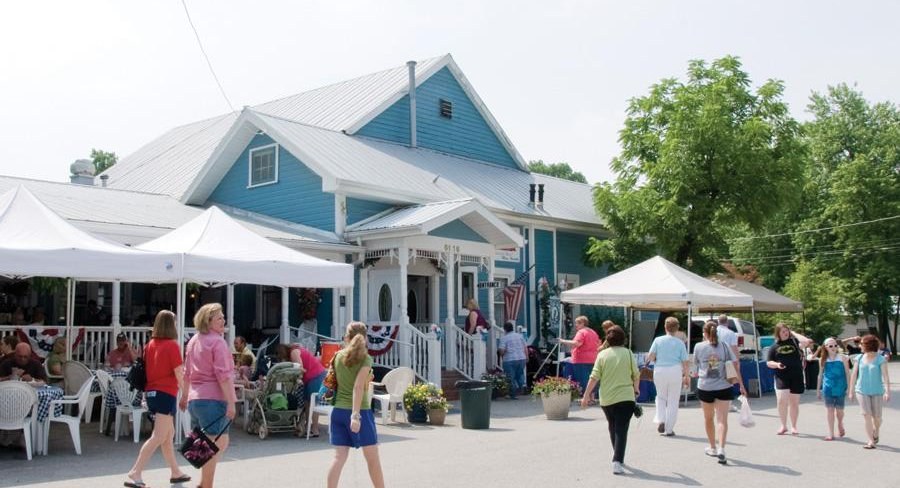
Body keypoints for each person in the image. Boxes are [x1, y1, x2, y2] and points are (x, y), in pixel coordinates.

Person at [124, 310, 191, 488]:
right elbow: (179, 373)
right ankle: (135, 472)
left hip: (152, 393)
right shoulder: (172, 345)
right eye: (175, 322)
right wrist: (187, 394)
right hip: (166, 393)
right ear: (171, 324)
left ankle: (175, 472)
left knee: (169, 435)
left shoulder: (150, 344)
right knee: (159, 436)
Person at [180, 303, 236, 488]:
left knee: (216, 442)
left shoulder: (194, 340)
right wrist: (231, 402)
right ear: (208, 321)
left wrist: (184, 396)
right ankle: (206, 485)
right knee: (213, 444)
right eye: (219, 318)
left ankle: (204, 482)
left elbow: (187, 372)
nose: (223, 321)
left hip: (196, 400)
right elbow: (223, 375)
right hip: (213, 398)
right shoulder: (217, 342)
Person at [327, 322, 385, 488]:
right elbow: (358, 387)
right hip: (359, 411)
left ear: (347, 337)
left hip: (338, 410)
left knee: (338, 458)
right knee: (373, 459)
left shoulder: (338, 356)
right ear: (365, 338)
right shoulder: (365, 358)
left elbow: (341, 382)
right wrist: (355, 415)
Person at [579, 325, 639, 475]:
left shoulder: (602, 355)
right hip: (625, 397)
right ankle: (617, 460)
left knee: (613, 427)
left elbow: (594, 377)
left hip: (607, 398)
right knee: (622, 429)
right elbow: (636, 374)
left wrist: (586, 396)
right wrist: (636, 389)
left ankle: (618, 457)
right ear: (623, 339)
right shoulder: (628, 353)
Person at [693, 321, 745, 465]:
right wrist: (741, 384)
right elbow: (734, 364)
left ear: (704, 333)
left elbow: (696, 364)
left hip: (705, 386)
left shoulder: (698, 346)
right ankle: (722, 448)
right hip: (723, 386)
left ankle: (712, 447)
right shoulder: (724, 346)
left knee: (708, 418)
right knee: (722, 420)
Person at [646, 316, 690, 436]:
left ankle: (661, 419)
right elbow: (685, 361)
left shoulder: (658, 340)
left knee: (660, 397)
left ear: (665, 327)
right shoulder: (680, 343)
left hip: (660, 370)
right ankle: (669, 428)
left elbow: (650, 356)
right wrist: (687, 376)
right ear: (677, 329)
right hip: (675, 370)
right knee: (673, 400)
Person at [766, 322, 811, 435]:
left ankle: (794, 426)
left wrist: (794, 333)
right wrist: (777, 365)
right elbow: (768, 362)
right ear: (778, 334)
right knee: (782, 401)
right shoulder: (774, 346)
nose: (785, 333)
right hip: (782, 376)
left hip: (796, 375)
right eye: (783, 332)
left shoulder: (795, 342)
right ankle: (783, 425)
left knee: (794, 402)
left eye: (787, 331)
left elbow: (806, 342)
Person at [275, 343, 327, 437]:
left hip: (315, 375)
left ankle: (314, 429)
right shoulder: (295, 349)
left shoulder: (293, 353)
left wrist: (295, 378)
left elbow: (301, 369)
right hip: (312, 376)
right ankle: (307, 427)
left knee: (312, 402)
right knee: (307, 403)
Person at [848, 334, 891, 449]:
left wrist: (887, 391)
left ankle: (876, 431)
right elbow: (853, 375)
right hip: (861, 390)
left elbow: (885, 376)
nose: (859, 345)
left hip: (877, 391)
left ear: (868, 345)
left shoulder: (880, 359)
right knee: (866, 415)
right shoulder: (859, 358)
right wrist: (851, 390)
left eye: (861, 343)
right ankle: (870, 441)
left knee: (877, 417)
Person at [816, 337, 850, 441]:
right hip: (828, 388)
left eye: (835, 345)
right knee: (830, 410)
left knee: (839, 411)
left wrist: (849, 388)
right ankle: (831, 433)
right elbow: (820, 375)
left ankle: (840, 423)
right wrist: (818, 390)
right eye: (831, 346)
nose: (834, 347)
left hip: (840, 387)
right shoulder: (822, 359)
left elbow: (848, 373)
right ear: (825, 347)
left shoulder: (843, 357)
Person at [559, 316, 600, 401]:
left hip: (581, 359)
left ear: (583, 323)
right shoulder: (593, 332)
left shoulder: (581, 332)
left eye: (577, 323)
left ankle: (587, 399)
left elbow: (577, 343)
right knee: (592, 379)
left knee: (583, 379)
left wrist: (563, 341)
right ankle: (592, 397)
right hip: (593, 359)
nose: (575, 325)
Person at [716, 315, 741, 412]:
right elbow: (734, 348)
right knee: (729, 382)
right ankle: (728, 405)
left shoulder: (714, 331)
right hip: (728, 360)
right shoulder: (731, 333)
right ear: (727, 322)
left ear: (718, 322)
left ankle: (716, 403)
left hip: (714, 359)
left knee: (716, 380)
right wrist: (737, 360)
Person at [498, 321, 528, 399]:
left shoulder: (504, 338)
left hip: (509, 359)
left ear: (505, 329)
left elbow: (502, 351)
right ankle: (521, 386)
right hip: (521, 358)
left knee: (510, 377)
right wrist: (527, 356)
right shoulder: (520, 336)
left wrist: (500, 353)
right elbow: (525, 347)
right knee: (520, 374)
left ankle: (513, 394)